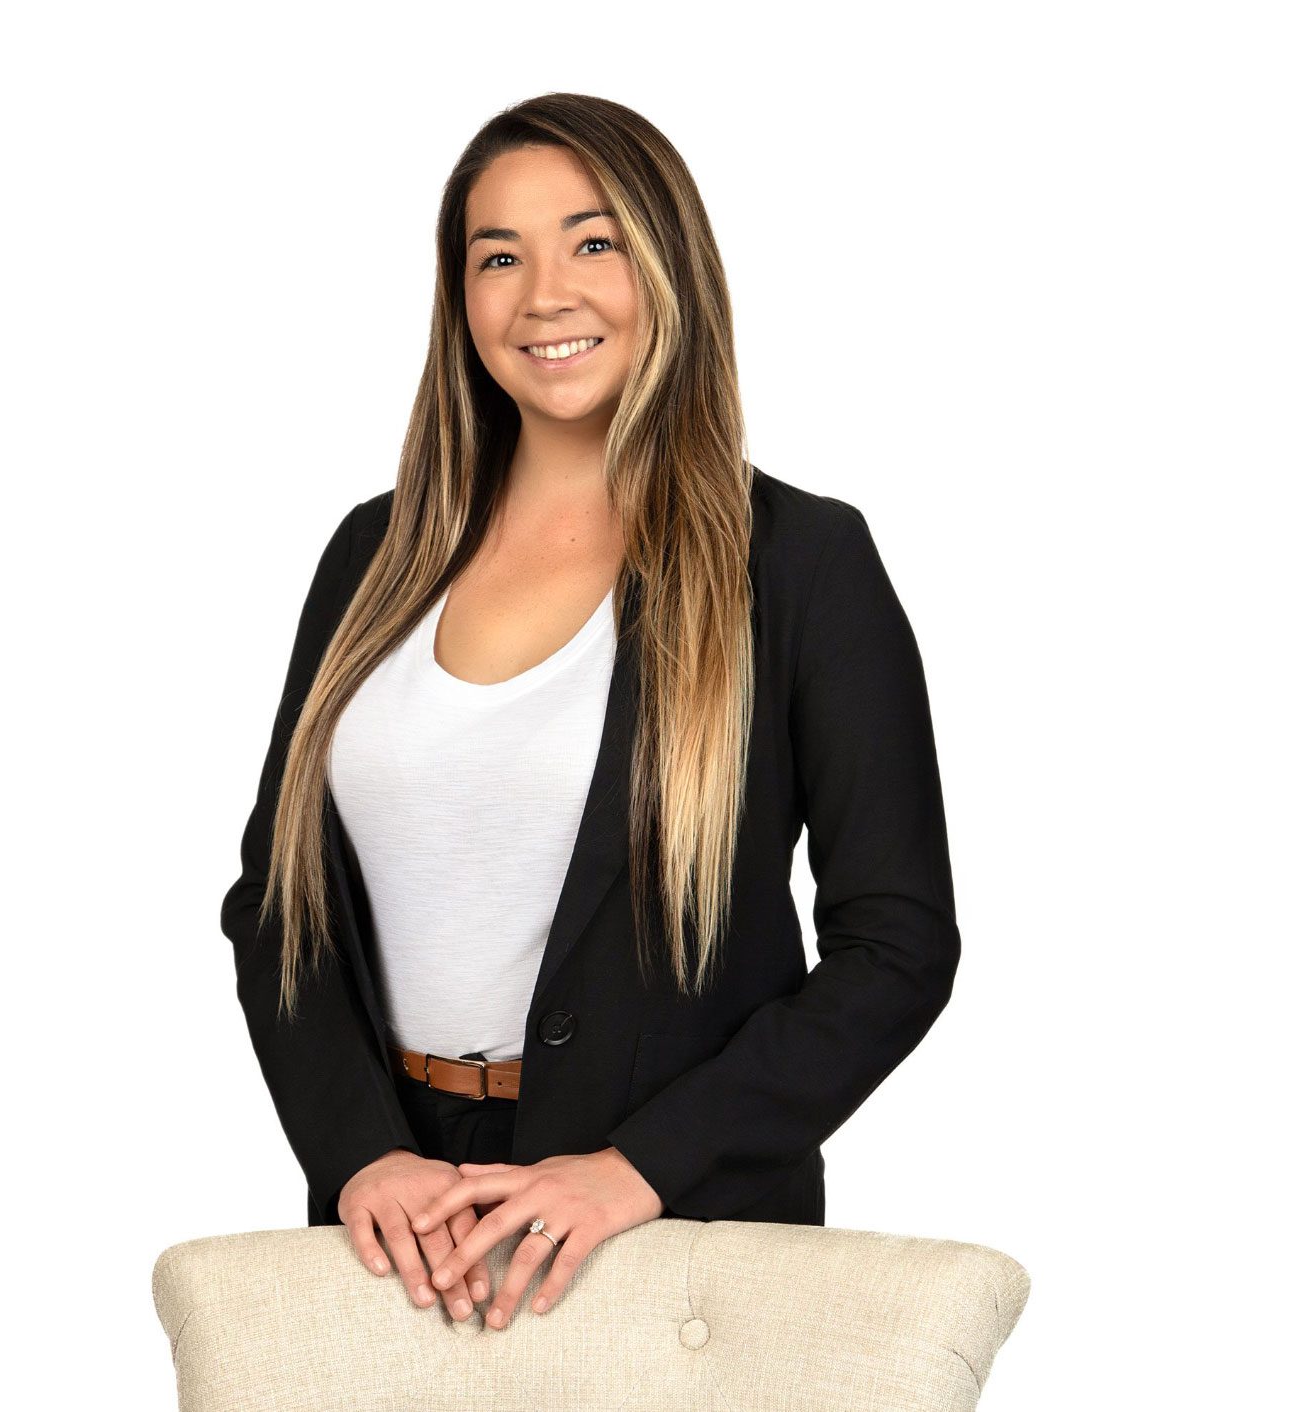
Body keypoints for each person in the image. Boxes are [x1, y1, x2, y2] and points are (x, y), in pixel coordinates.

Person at [219, 92, 961, 1334]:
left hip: (668, 1216)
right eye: (496, 256)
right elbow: (275, 903)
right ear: (460, 299)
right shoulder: (371, 556)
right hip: (402, 1219)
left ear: (667, 265)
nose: (542, 292)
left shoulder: (800, 561)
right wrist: (360, 1154)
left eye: (592, 241)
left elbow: (896, 946)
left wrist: (640, 1167)